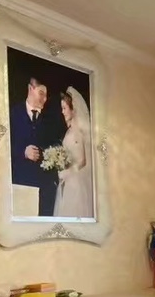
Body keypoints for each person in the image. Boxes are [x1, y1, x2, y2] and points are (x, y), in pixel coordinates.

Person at [9, 76, 66, 216]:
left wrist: (46, 153)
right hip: (20, 184)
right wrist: (23, 152)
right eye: (41, 93)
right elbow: (2, 146)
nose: (44, 99)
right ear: (30, 89)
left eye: (46, 95)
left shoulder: (52, 118)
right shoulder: (12, 113)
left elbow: (58, 144)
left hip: (45, 188)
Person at [52, 88, 94, 218]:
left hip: (75, 181)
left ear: (73, 109)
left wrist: (68, 172)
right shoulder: (69, 130)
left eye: (64, 108)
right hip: (68, 181)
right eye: (62, 108)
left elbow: (82, 160)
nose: (62, 112)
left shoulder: (78, 131)